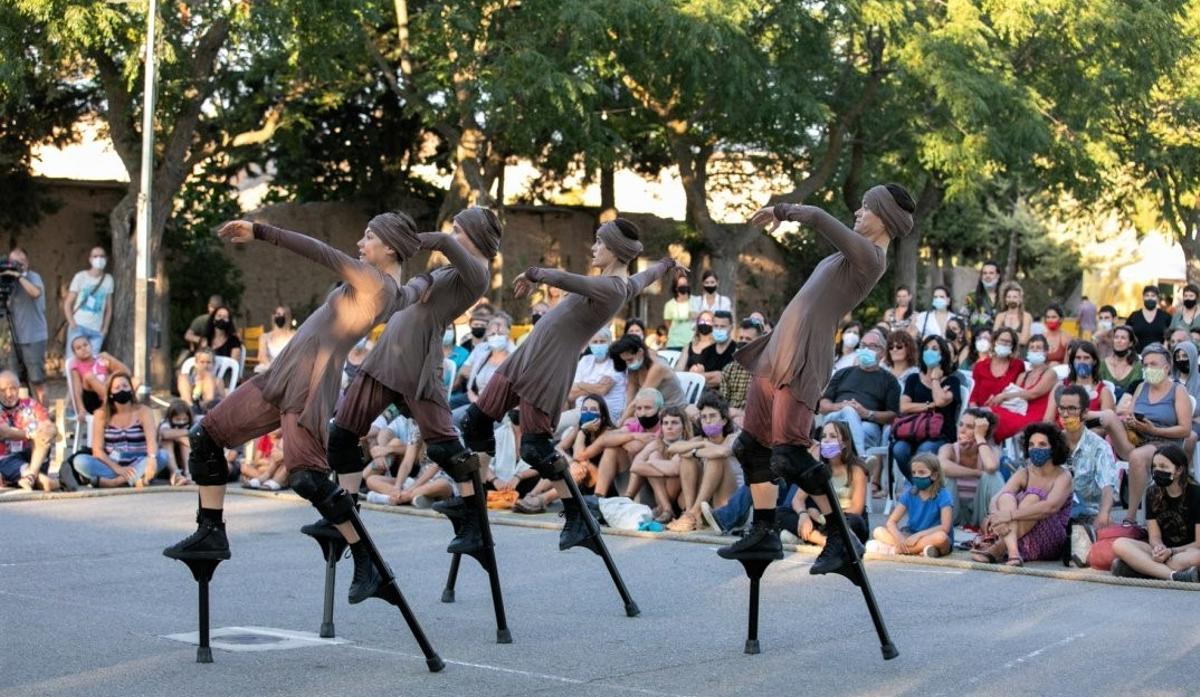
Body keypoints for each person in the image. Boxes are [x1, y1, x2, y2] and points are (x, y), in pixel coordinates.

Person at [163, 210, 429, 609]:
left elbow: (320, 251)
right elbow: (422, 285)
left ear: (389, 246)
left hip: (307, 382)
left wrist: (259, 231)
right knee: (206, 437)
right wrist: (440, 249)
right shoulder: (399, 291)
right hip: (281, 374)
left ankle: (366, 561)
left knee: (307, 478)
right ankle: (210, 531)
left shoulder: (373, 281)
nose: (361, 243)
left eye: (369, 237)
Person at [718, 181, 915, 579]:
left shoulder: (871, 257)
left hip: (804, 356)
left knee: (788, 453)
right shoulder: (849, 255)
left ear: (885, 218)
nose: (858, 213)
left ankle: (842, 539)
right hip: (777, 351)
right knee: (751, 448)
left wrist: (782, 210)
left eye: (865, 208)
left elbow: (821, 219)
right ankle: (764, 530)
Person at [452, 217, 681, 554]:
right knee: (474, 421)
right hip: (527, 355)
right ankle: (472, 509)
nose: (594, 247)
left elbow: (566, 279)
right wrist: (667, 264)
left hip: (548, 367)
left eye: (600, 243)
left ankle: (576, 513)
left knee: (534, 447)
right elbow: (647, 275)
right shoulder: (624, 284)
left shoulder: (614, 287)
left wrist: (533, 274)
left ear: (616, 250)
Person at [328, 207, 500, 551]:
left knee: (445, 447)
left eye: (459, 229)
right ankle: (346, 516)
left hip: (418, 364)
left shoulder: (476, 273)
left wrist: (397, 240)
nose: (453, 235)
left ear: (476, 235)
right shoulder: (450, 269)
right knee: (342, 436)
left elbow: (439, 242)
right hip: (386, 357)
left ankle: (473, 520)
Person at [1103, 343, 1192, 525]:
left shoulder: (1178, 390)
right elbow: (1131, 414)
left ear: (1166, 367)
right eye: (1145, 365)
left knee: (1137, 456)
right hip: (1138, 437)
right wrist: (1131, 422)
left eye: (1153, 364)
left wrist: (1153, 430)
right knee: (1108, 416)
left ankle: (1131, 516)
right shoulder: (1141, 387)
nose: (1148, 368)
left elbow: (1185, 429)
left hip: (1165, 442)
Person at [972, 423, 1073, 565]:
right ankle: (1013, 553)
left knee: (1033, 496)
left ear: (1054, 448)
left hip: (1050, 538)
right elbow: (997, 498)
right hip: (1018, 534)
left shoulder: (1063, 475)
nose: (1035, 448)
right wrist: (996, 517)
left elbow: (1050, 507)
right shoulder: (1024, 472)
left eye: (1042, 444)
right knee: (1006, 497)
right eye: (1031, 444)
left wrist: (1010, 515)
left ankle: (999, 548)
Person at [1110, 444, 1200, 582]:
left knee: (1196, 557)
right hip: (1161, 553)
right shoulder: (1152, 492)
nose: (1158, 471)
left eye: (1163, 467)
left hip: (1185, 552)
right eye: (1155, 466)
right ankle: (1174, 576)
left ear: (1179, 470)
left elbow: (1198, 543)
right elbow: (1154, 537)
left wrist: (1171, 552)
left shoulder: (1196, 493)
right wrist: (1159, 548)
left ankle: (1143, 568)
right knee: (1119, 544)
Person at [516, 395, 615, 513]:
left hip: (600, 484)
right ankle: (532, 494)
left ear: (603, 416)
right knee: (557, 462)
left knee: (580, 465)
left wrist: (583, 432)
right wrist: (570, 461)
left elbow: (580, 456)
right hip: (581, 478)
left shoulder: (607, 433)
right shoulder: (579, 427)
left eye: (593, 410)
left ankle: (543, 500)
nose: (588, 413)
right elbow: (558, 447)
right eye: (585, 409)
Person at [781, 420, 870, 546]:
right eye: (823, 437)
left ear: (844, 443)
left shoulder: (856, 470)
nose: (827, 440)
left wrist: (824, 518)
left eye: (833, 436)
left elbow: (856, 509)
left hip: (847, 521)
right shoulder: (818, 468)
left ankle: (813, 537)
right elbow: (797, 500)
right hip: (824, 521)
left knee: (854, 521)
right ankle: (824, 541)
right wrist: (803, 515)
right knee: (782, 513)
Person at [73, 373, 167, 488]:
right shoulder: (101, 414)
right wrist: (118, 469)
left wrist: (152, 459)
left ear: (131, 390)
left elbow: (152, 441)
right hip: (112, 465)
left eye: (125, 386)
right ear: (110, 393)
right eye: (117, 388)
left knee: (162, 455)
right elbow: (97, 450)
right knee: (80, 461)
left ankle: (114, 482)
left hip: (140, 460)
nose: (122, 390)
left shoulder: (143, 411)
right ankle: (136, 479)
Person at [664, 392, 740, 532]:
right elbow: (673, 448)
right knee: (687, 459)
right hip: (706, 501)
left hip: (729, 502)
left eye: (712, 416)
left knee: (715, 458)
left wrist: (696, 450)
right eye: (704, 417)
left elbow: (722, 452)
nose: (708, 421)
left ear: (724, 420)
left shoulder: (734, 437)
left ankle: (693, 514)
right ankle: (690, 513)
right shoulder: (700, 441)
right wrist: (700, 446)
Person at [818, 329, 900, 459]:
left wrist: (867, 413)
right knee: (849, 411)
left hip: (868, 425)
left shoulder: (890, 381)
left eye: (872, 346)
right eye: (863, 345)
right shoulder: (843, 373)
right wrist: (841, 406)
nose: (866, 349)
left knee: (854, 428)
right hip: (836, 418)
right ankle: (862, 456)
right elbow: (822, 405)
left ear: (882, 352)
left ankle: (831, 464)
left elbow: (892, 416)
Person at [892, 335, 962, 481]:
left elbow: (941, 401)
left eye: (935, 349)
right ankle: (917, 484)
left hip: (940, 434)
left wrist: (936, 378)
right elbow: (903, 407)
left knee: (923, 451)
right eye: (926, 348)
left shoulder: (952, 380)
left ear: (943, 355)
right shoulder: (913, 379)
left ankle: (917, 488)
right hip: (913, 431)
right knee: (899, 450)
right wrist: (929, 406)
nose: (929, 352)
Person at [1055, 385, 1118, 528]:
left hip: (1088, 515)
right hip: (1054, 513)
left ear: (1084, 413)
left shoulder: (1099, 446)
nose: (1065, 414)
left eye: (1071, 409)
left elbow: (1108, 485)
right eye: (1062, 408)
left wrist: (1104, 513)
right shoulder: (1052, 442)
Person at [868, 453, 952, 557]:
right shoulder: (909, 494)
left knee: (941, 538)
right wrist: (900, 538)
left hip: (931, 535)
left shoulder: (943, 495)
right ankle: (922, 550)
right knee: (878, 531)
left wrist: (918, 535)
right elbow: (891, 522)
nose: (917, 476)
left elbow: (945, 527)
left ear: (934, 475)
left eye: (921, 472)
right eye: (914, 473)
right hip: (910, 535)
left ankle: (896, 550)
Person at [938, 408, 1005, 528]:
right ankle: (946, 527)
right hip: (952, 512)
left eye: (969, 426)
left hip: (979, 513)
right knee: (946, 474)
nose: (962, 430)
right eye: (961, 424)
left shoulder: (991, 451)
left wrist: (979, 437)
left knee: (994, 476)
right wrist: (977, 473)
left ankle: (999, 525)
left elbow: (991, 467)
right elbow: (941, 466)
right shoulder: (949, 449)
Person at [984, 334, 1058, 442]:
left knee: (992, 418)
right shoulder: (1023, 375)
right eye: (1032, 348)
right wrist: (995, 399)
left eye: (1038, 348)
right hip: (1018, 412)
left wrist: (1004, 396)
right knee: (987, 412)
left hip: (1035, 417)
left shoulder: (1050, 373)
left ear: (1046, 352)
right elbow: (1015, 398)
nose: (1035, 350)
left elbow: (1033, 394)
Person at [626, 406, 693, 523]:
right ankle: (666, 508)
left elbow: (675, 470)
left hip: (680, 500)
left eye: (674, 423)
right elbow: (635, 467)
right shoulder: (657, 444)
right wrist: (659, 467)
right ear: (661, 427)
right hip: (660, 497)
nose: (669, 427)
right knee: (654, 454)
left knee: (656, 460)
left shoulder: (686, 444)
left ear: (683, 427)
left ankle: (666, 508)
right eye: (665, 423)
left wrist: (651, 464)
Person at [3, 248, 48, 404]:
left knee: (37, 380)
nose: (15, 265)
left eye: (19, 262)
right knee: (15, 380)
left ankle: (44, 415)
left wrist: (19, 276)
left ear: (27, 263)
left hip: (34, 337)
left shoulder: (33, 277)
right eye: (12, 262)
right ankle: (22, 416)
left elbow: (35, 293)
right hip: (16, 339)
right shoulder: (9, 282)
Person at [0, 370, 58, 491]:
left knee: (44, 435)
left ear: (19, 388)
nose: (9, 394)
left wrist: (48, 430)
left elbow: (49, 425)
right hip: (8, 459)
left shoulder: (30, 404)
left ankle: (30, 477)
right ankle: (45, 480)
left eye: (13, 388)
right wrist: (31, 434)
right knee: (45, 483)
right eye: (3, 390)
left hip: (34, 456)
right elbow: (4, 432)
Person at [612, 334, 687, 420]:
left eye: (629, 360)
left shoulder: (657, 367)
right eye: (625, 361)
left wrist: (619, 424)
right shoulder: (634, 365)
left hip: (673, 413)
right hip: (652, 411)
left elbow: (639, 399)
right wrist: (623, 417)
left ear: (640, 352)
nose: (628, 363)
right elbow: (630, 399)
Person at [1045, 341, 1115, 421]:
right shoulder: (1061, 386)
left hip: (1089, 432)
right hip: (1059, 431)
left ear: (1094, 361)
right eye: (1078, 358)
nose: (1082, 361)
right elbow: (1048, 419)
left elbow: (1106, 426)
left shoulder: (1103, 391)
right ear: (1072, 361)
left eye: (1086, 358)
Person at [566, 328, 627, 421]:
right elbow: (571, 394)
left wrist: (580, 385)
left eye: (602, 342)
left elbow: (602, 390)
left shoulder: (615, 362)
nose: (598, 345)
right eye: (595, 342)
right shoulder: (585, 361)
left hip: (604, 413)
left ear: (609, 343)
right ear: (590, 344)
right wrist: (595, 387)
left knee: (557, 426)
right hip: (581, 410)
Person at [62, 246, 113, 354]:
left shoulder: (108, 279)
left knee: (91, 365)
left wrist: (105, 329)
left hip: (96, 330)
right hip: (79, 326)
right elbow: (68, 303)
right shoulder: (80, 277)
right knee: (73, 363)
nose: (99, 259)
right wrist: (73, 324)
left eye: (102, 256)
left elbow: (108, 308)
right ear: (90, 259)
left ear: (106, 259)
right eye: (95, 256)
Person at [67, 335, 131, 420]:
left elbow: (127, 373)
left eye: (85, 345)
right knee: (89, 376)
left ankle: (122, 405)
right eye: (78, 348)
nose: (83, 349)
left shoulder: (101, 359)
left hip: (109, 395)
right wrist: (81, 410)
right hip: (92, 401)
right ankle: (113, 403)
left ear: (91, 346)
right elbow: (77, 391)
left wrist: (110, 358)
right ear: (75, 353)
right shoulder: (76, 366)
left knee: (135, 381)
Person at [719, 318, 764, 421]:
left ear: (759, 342)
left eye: (748, 339)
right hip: (729, 418)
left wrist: (740, 413)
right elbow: (722, 402)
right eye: (741, 338)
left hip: (755, 420)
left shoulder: (765, 370)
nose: (743, 341)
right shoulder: (729, 369)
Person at [969, 327, 1022, 408]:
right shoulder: (980, 366)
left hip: (1006, 412)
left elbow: (1019, 393)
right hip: (980, 411)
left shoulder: (1018, 365)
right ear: (994, 342)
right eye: (1001, 340)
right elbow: (973, 398)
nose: (1004, 343)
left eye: (1008, 342)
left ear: (1012, 346)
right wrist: (976, 412)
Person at [177, 348, 227, 414]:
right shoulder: (190, 379)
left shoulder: (217, 380)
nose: (205, 365)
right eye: (202, 362)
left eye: (208, 362)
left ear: (213, 364)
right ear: (196, 364)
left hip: (208, 408)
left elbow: (224, 399)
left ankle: (204, 407)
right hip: (190, 406)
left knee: (208, 377)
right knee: (182, 377)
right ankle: (190, 407)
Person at [158, 399, 194, 486]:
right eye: (178, 419)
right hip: (168, 465)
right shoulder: (165, 423)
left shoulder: (194, 423)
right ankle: (176, 474)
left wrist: (181, 438)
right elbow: (165, 434)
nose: (181, 422)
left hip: (190, 460)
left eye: (184, 419)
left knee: (184, 441)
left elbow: (195, 444)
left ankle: (189, 473)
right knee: (167, 441)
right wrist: (184, 434)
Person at [1099, 325, 1142, 398]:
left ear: (1130, 343)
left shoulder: (1137, 365)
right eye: (1116, 337)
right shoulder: (1102, 364)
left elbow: (1137, 392)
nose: (1119, 341)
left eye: (1123, 338)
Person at [254, 305, 296, 373]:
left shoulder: (294, 335)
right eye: (278, 314)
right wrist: (271, 368)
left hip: (288, 369)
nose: (281, 317)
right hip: (269, 368)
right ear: (273, 316)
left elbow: (296, 355)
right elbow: (261, 356)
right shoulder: (265, 337)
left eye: (284, 315)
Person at [1128, 285, 1171, 351]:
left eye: (1153, 296)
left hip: (1160, 356)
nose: (1150, 298)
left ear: (1157, 298)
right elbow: (1127, 334)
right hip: (1137, 357)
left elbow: (1170, 336)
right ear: (1143, 298)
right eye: (1147, 295)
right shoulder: (1134, 316)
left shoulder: (1166, 317)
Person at [963, 260, 1002, 332]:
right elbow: (963, 317)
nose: (987, 276)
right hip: (977, 337)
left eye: (991, 273)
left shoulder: (1005, 296)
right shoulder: (972, 296)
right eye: (985, 273)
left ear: (998, 276)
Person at [993, 281, 1033, 348]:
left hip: (1020, 355)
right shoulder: (1000, 316)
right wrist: (1017, 335)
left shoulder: (1026, 316)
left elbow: (1023, 340)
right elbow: (994, 338)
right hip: (1003, 354)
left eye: (1015, 297)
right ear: (1005, 299)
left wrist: (1003, 337)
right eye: (1009, 297)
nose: (1012, 299)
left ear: (1020, 299)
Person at [663, 273, 696, 350]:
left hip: (693, 343)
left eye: (685, 284)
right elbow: (668, 323)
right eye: (681, 284)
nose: (683, 286)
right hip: (674, 344)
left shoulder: (696, 301)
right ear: (676, 288)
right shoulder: (669, 304)